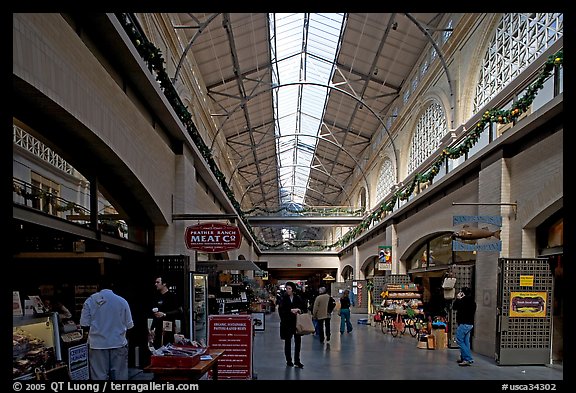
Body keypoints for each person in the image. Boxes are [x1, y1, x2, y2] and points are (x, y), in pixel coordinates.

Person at [80, 276, 134, 380]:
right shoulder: (122, 301)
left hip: (97, 345)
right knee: (120, 376)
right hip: (118, 343)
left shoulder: (90, 301)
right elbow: (129, 325)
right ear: (112, 286)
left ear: (98, 286)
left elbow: (84, 324)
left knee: (99, 376)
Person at [278, 281, 307, 368]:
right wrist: (290, 311)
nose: (287, 290)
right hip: (287, 323)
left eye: (289, 288)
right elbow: (281, 311)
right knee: (288, 342)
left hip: (297, 323)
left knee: (298, 342)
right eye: (286, 288)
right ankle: (289, 360)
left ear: (293, 289)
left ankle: (297, 360)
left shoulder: (298, 298)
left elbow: (303, 308)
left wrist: (299, 310)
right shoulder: (283, 299)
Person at [150, 276, 184, 349]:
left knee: (167, 346)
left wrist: (165, 314)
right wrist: (152, 327)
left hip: (168, 326)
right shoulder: (157, 297)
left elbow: (179, 311)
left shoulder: (172, 296)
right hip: (158, 327)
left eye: (158, 282)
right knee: (157, 347)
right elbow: (155, 314)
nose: (156, 284)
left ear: (164, 284)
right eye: (155, 282)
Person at [452, 286, 477, 366]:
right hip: (470, 324)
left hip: (463, 324)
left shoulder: (462, 301)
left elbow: (454, 307)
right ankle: (464, 357)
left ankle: (468, 358)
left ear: (462, 293)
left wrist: (458, 299)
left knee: (459, 340)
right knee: (466, 342)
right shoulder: (473, 302)